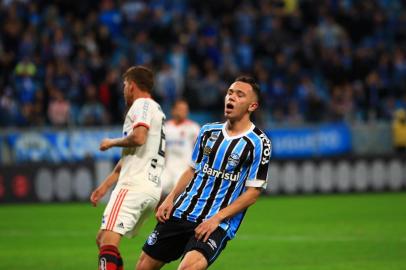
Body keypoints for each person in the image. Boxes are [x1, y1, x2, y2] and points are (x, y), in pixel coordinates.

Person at [136, 76, 272, 270]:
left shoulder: (259, 142)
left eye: (239, 95)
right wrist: (170, 199)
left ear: (252, 106)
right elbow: (192, 169)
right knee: (143, 267)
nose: (231, 97)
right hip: (182, 211)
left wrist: (216, 219)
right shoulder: (208, 131)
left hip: (216, 222)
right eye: (230, 93)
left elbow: (253, 193)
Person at [90, 66, 166, 270]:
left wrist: (111, 142)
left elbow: (139, 138)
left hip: (133, 185)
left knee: (108, 242)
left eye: (124, 85)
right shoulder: (157, 110)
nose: (123, 89)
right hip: (150, 189)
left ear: (132, 86)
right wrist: (105, 186)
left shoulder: (141, 104)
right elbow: (131, 155)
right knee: (102, 238)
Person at [161, 99, 200, 197]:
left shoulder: (193, 127)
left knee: (179, 192)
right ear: (173, 110)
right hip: (168, 167)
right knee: (158, 189)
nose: (183, 112)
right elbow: (163, 148)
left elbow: (200, 148)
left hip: (184, 168)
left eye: (185, 109)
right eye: (180, 109)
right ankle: (160, 211)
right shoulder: (166, 127)